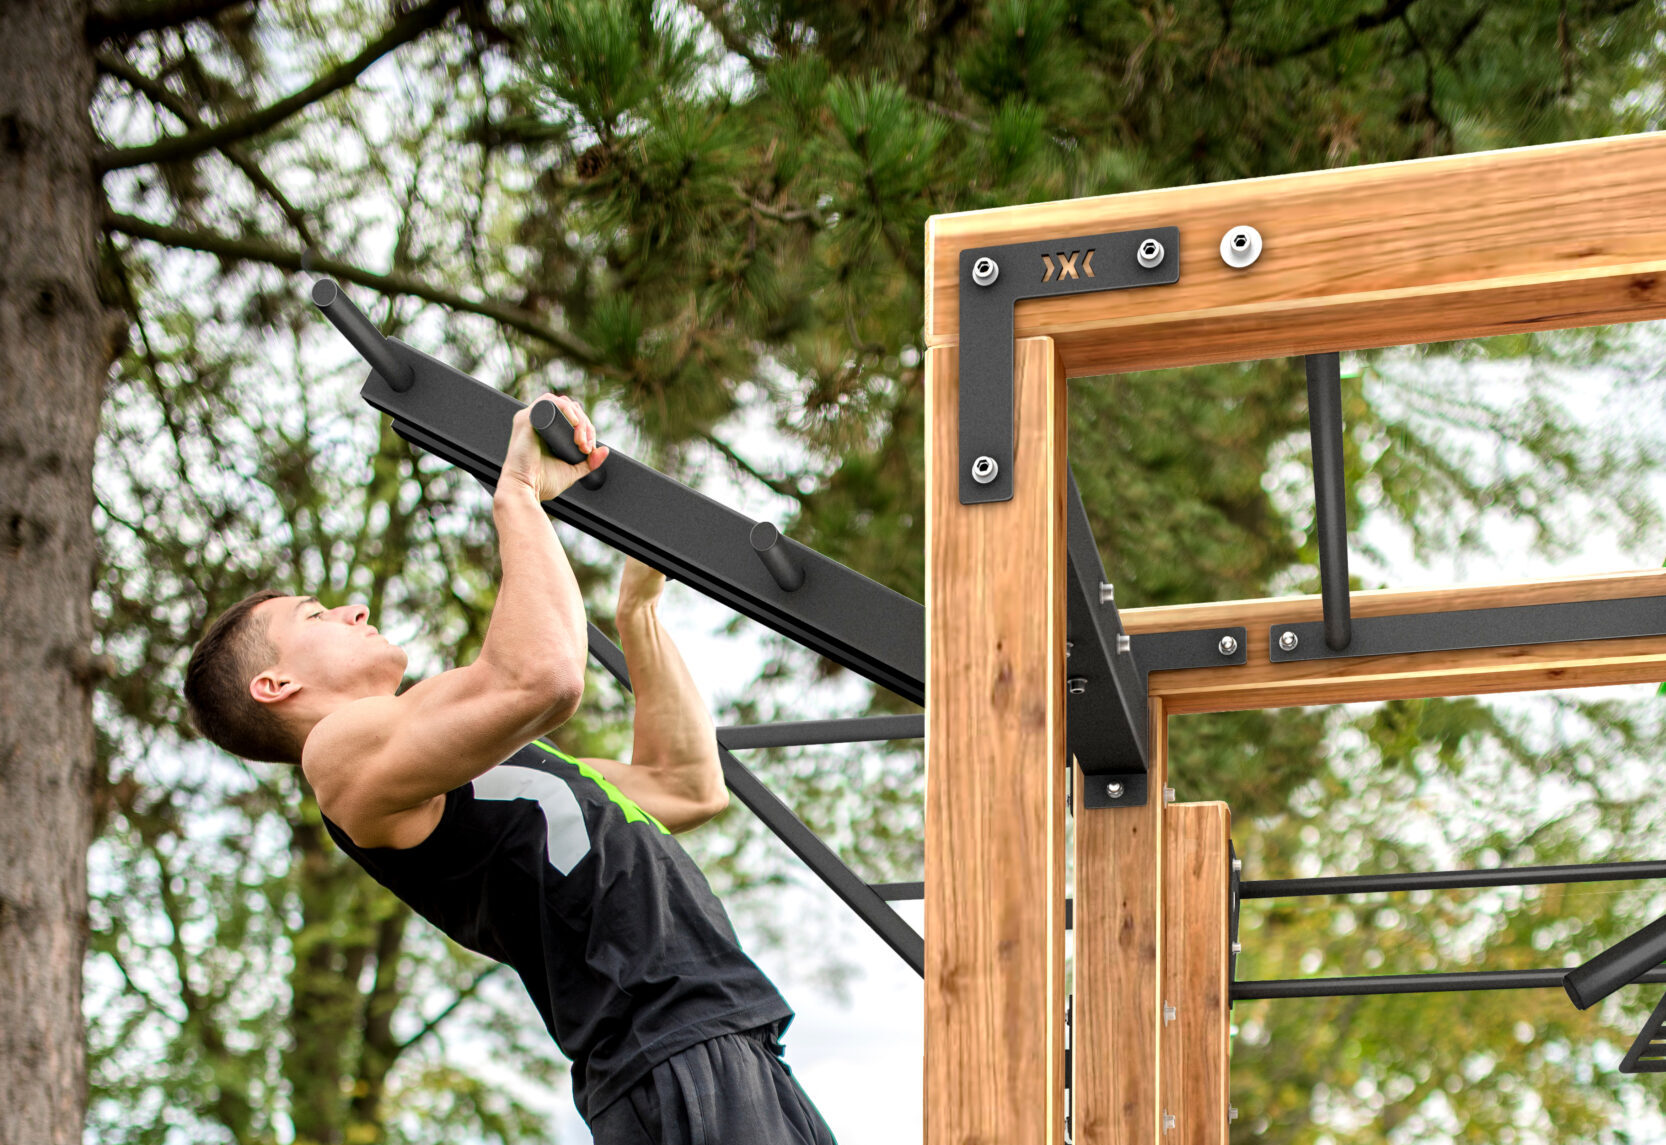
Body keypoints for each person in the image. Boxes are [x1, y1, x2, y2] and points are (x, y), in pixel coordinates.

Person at [183, 394, 837, 1144]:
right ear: (275, 686)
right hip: (664, 1051)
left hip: (729, 1037)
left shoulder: (472, 764)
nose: (352, 610)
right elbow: (542, 677)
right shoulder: (336, 757)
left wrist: (638, 618)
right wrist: (517, 491)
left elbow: (686, 783)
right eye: (315, 615)